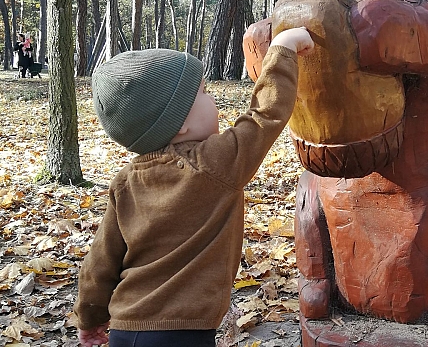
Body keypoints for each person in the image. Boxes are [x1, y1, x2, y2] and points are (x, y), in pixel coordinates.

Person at [73, 27, 314, 347]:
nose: (212, 98)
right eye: (203, 92)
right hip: (183, 333)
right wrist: (283, 49)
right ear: (179, 121)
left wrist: (89, 317)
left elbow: (100, 262)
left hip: (124, 326)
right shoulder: (215, 163)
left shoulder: (125, 183)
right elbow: (264, 115)